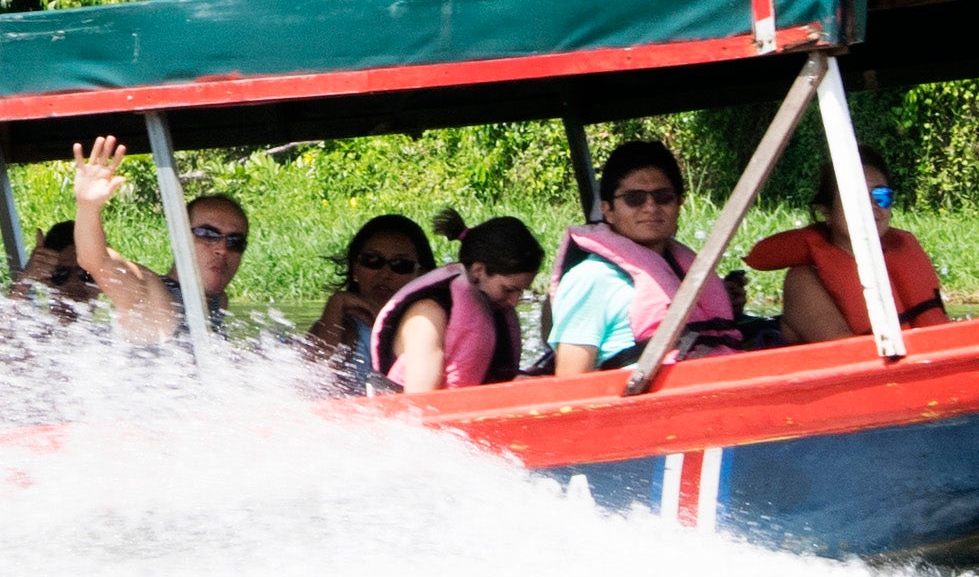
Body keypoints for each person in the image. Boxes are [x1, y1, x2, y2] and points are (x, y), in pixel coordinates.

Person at [548, 139, 750, 378]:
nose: (651, 207)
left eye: (663, 197)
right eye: (634, 198)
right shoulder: (590, 279)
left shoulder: (687, 274)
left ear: (679, 203)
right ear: (608, 210)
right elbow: (570, 382)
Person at [62, 136, 255, 341]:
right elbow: (98, 262)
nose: (222, 249)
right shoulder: (153, 298)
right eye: (208, 234)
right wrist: (88, 207)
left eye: (235, 241)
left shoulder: (217, 301)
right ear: (180, 238)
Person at [745, 183, 945, 343]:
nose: (871, 206)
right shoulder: (802, 280)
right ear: (827, 212)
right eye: (856, 198)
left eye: (881, 196)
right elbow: (848, 355)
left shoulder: (903, 261)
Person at [372, 213, 545, 393]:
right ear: (478, 271)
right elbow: (420, 402)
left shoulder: (494, 312)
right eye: (508, 290)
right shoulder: (427, 317)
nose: (514, 302)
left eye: (520, 292)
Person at [311, 214, 434, 386]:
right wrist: (335, 304)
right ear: (355, 268)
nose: (385, 273)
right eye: (372, 260)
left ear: (422, 274)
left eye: (401, 264)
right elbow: (313, 377)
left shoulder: (431, 324)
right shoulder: (341, 325)